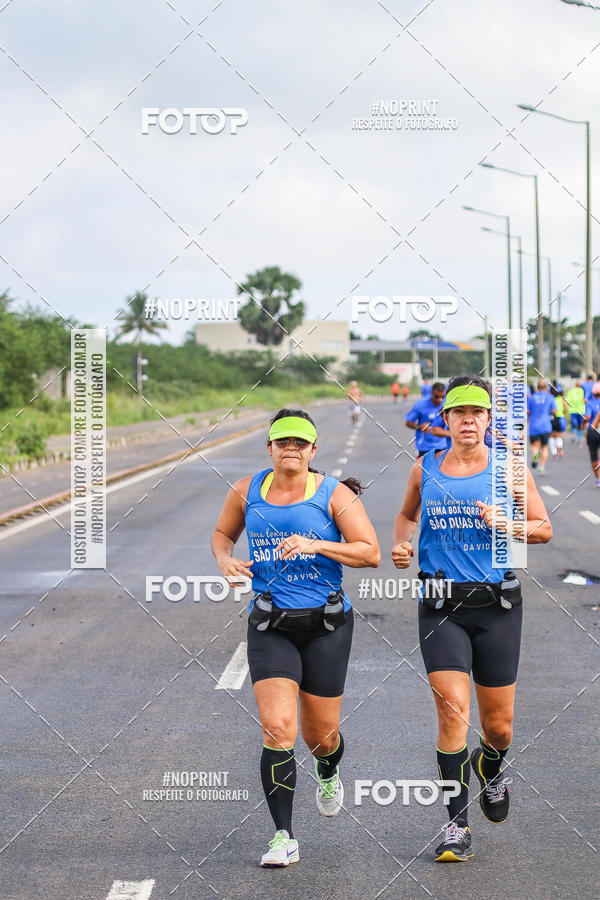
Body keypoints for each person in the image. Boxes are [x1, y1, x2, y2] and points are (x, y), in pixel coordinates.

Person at [392, 374, 552, 862]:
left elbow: (544, 529)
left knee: (498, 727)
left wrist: (507, 523)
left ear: (488, 419)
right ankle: (455, 826)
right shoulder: (425, 467)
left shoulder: (510, 470)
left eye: (476, 412)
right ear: (446, 420)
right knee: (453, 711)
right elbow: (406, 517)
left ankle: (492, 766)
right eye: (459, 412)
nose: (467, 420)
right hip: (441, 604)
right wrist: (401, 546)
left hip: (497, 607)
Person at [211, 409, 380, 867]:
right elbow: (223, 534)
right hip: (271, 626)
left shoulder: (334, 495)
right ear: (269, 448)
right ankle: (283, 836)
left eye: (300, 443)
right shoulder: (247, 490)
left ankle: (328, 769)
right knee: (278, 730)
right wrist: (225, 559)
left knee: (320, 736)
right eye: (282, 441)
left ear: (312, 450)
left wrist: (317, 544)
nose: (291, 448)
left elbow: (371, 553)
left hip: (325, 626)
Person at [405, 382, 450, 458]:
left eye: (442, 396)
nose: (439, 400)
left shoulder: (447, 404)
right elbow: (408, 423)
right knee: (424, 470)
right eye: (436, 396)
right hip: (425, 447)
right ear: (431, 393)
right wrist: (418, 427)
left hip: (443, 446)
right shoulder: (420, 405)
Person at [527, 380, 557, 475]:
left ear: (537, 387)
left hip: (534, 425)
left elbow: (527, 411)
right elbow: (555, 410)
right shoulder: (550, 397)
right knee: (544, 446)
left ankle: (536, 455)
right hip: (546, 425)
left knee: (534, 446)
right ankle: (541, 467)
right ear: (546, 388)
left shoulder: (531, 398)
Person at [584, 385, 600, 487]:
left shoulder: (589, 403)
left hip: (594, 432)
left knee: (593, 456)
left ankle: (598, 479)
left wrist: (585, 424)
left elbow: (588, 416)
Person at [565, 380, 586, 446]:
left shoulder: (571, 391)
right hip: (581, 411)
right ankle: (579, 439)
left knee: (574, 425)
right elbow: (586, 400)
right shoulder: (583, 391)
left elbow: (567, 400)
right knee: (580, 426)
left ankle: (573, 437)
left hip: (573, 410)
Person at [549, 385, 567, 460]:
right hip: (560, 418)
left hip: (552, 418)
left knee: (552, 435)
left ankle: (554, 453)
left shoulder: (550, 399)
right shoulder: (561, 399)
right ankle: (560, 449)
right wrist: (562, 412)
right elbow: (565, 408)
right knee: (559, 435)